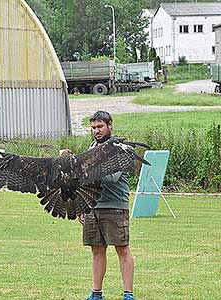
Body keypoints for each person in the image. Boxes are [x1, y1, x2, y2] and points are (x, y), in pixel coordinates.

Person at [78, 111, 135, 300]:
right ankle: (96, 294)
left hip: (115, 206)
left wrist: (88, 166)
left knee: (122, 248)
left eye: (100, 126)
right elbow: (83, 180)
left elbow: (112, 177)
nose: (96, 131)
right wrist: (81, 205)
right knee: (96, 250)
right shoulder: (92, 147)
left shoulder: (120, 148)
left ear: (110, 125)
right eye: (93, 127)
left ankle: (128, 294)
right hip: (93, 207)